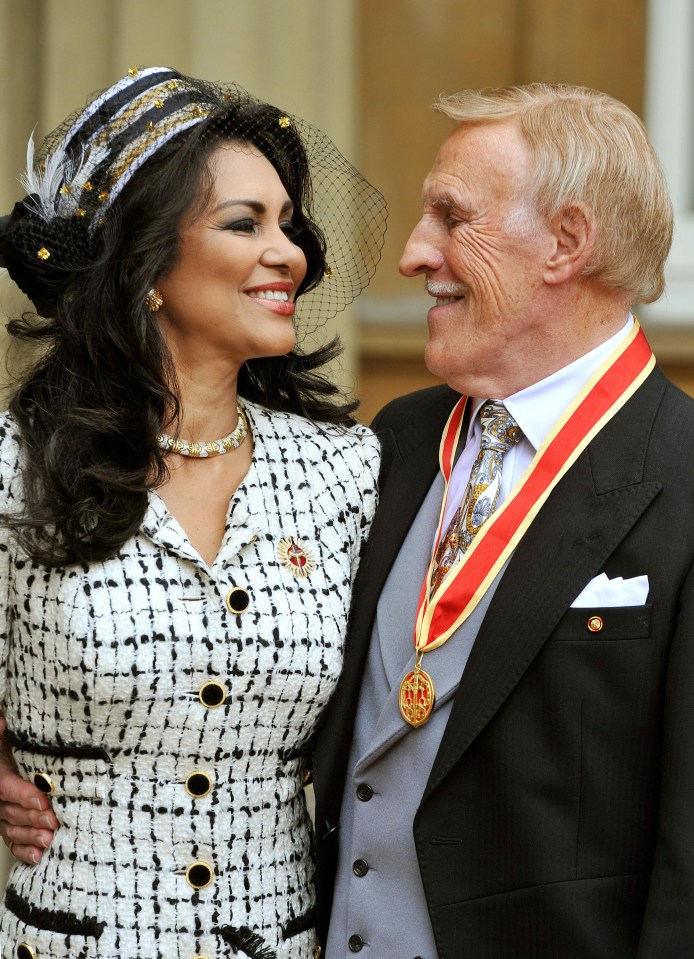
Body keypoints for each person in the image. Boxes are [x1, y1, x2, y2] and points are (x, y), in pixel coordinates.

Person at [0, 66, 385, 959]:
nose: (288, 251)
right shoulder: (18, 465)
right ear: (148, 268)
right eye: (245, 224)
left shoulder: (345, 470)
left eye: (288, 224)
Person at [308, 84, 694, 957]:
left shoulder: (684, 479)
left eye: (451, 217)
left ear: (567, 242)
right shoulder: (399, 440)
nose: (412, 254)